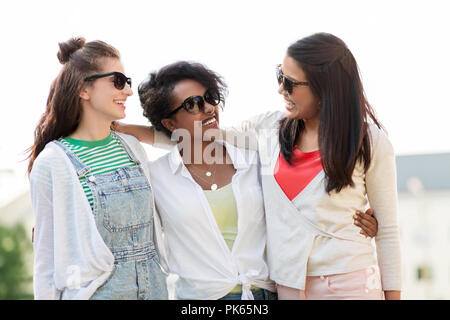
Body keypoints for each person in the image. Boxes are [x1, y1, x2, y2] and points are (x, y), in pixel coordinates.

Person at [114, 59, 380, 300]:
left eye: (210, 97)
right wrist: (122, 129)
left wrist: (353, 220)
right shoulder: (155, 176)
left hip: (267, 295)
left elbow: (304, 205)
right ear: (169, 124)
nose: (208, 108)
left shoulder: (255, 158)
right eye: (192, 104)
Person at [27, 37, 168, 300]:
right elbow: (46, 260)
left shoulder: (132, 148)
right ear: (83, 89)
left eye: (128, 83)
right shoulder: (53, 162)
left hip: (155, 291)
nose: (127, 91)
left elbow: (188, 140)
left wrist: (125, 128)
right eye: (117, 81)